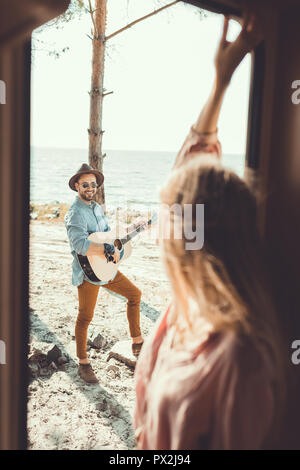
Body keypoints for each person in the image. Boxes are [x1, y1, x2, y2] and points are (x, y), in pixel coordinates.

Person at [134, 12, 286, 449]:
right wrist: (222, 82)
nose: (159, 229)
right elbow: (192, 169)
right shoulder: (186, 310)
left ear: (195, 239)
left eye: (169, 218)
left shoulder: (241, 360)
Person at [65, 163, 144, 384]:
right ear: (77, 186)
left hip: (106, 268)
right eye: (85, 184)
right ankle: (83, 362)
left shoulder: (97, 208)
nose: (90, 187)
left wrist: (118, 245)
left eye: (93, 184)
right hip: (88, 273)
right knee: (85, 317)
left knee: (135, 295)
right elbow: (80, 245)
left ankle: (137, 342)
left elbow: (106, 236)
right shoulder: (75, 213)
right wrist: (105, 249)